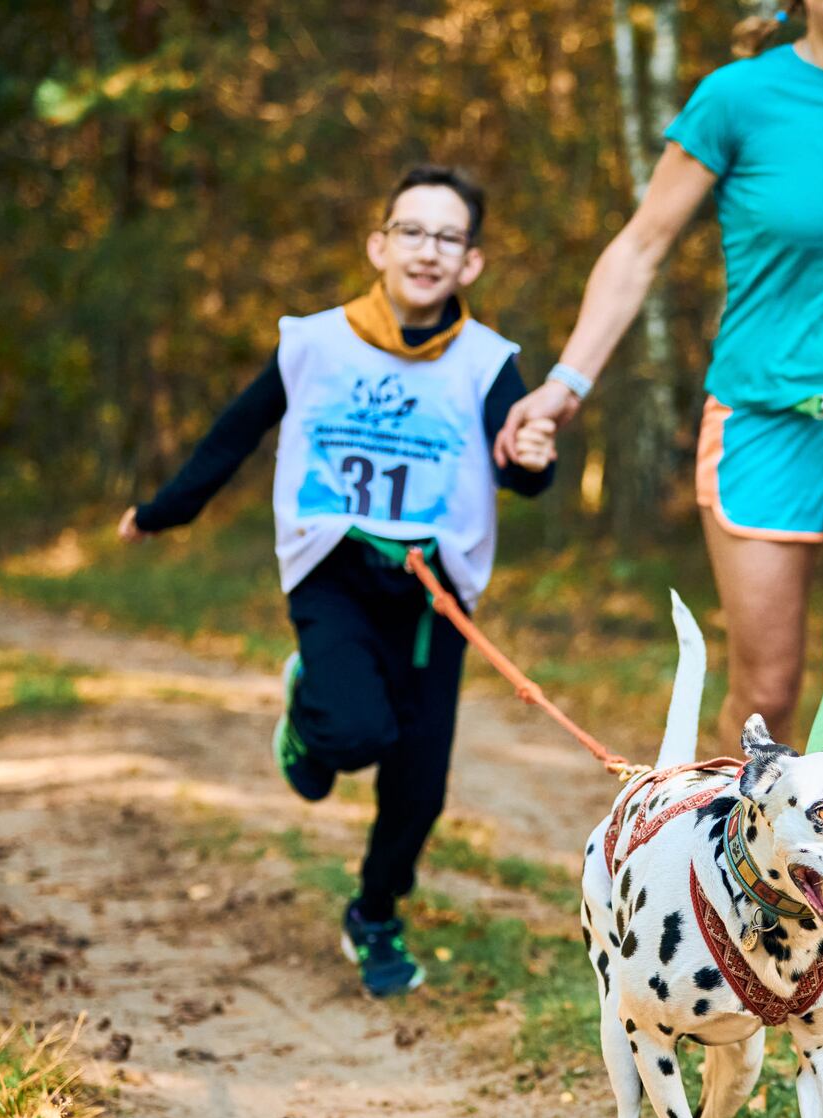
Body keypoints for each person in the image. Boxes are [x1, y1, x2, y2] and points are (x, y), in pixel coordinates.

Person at [498, 0, 823, 921]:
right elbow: (643, 243)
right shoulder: (737, 98)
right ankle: (741, 870)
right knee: (767, 687)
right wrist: (566, 383)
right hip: (764, 415)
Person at [119, 165, 559, 996]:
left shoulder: (487, 361)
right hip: (334, 567)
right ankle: (311, 717)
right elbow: (235, 432)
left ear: (470, 263)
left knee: (420, 785)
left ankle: (374, 913)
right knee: (357, 733)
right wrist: (165, 510)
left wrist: (535, 457)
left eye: (448, 238)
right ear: (379, 245)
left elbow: (522, 469)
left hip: (435, 590)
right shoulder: (315, 342)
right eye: (412, 232)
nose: (427, 251)